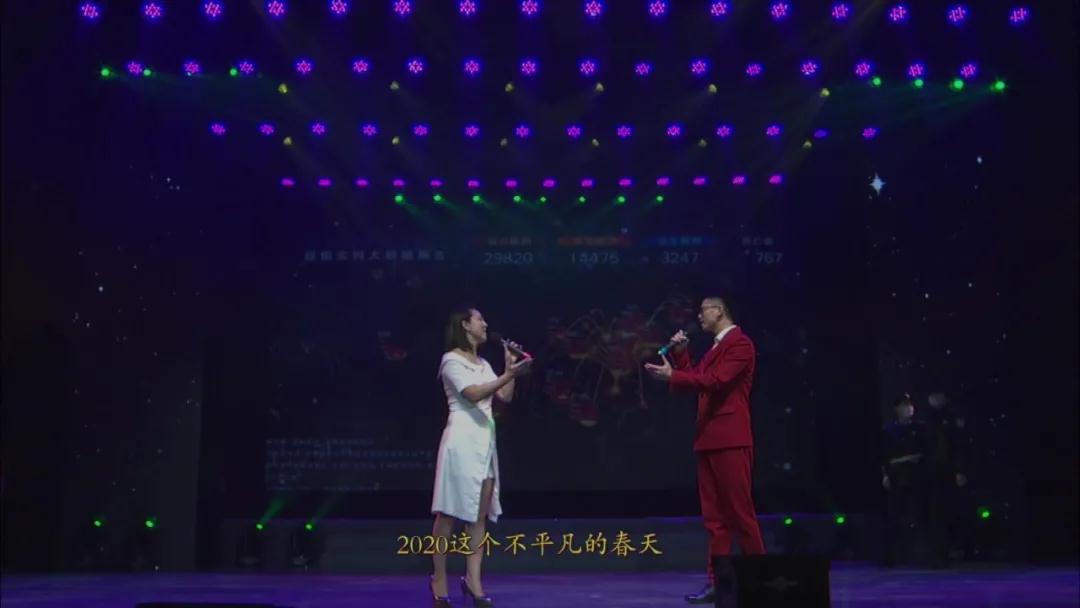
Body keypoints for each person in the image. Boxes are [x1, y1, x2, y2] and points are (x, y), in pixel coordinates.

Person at [644, 296, 765, 605]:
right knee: (714, 520)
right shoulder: (715, 348)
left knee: (740, 514)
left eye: (703, 311)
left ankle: (762, 580)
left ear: (719, 311)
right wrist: (681, 356)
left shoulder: (740, 344)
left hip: (730, 438)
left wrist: (673, 375)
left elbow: (715, 381)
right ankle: (718, 584)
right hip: (708, 439)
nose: (699, 317)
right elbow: (696, 381)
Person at [429, 307, 532, 608]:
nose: (485, 324)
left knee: (478, 516)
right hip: (461, 440)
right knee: (449, 513)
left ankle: (473, 582)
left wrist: (509, 367)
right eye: (479, 320)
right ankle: (439, 579)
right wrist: (509, 375)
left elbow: (504, 396)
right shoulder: (451, 360)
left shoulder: (484, 363)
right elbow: (473, 394)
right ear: (465, 325)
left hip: (484, 442)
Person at [881, 393, 932, 566]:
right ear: (897, 408)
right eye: (904, 405)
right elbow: (885, 456)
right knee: (896, 514)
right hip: (897, 476)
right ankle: (896, 556)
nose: (909, 408)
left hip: (917, 476)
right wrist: (886, 474)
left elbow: (925, 452)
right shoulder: (889, 430)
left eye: (910, 405)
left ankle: (923, 555)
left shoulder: (920, 428)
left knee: (920, 513)